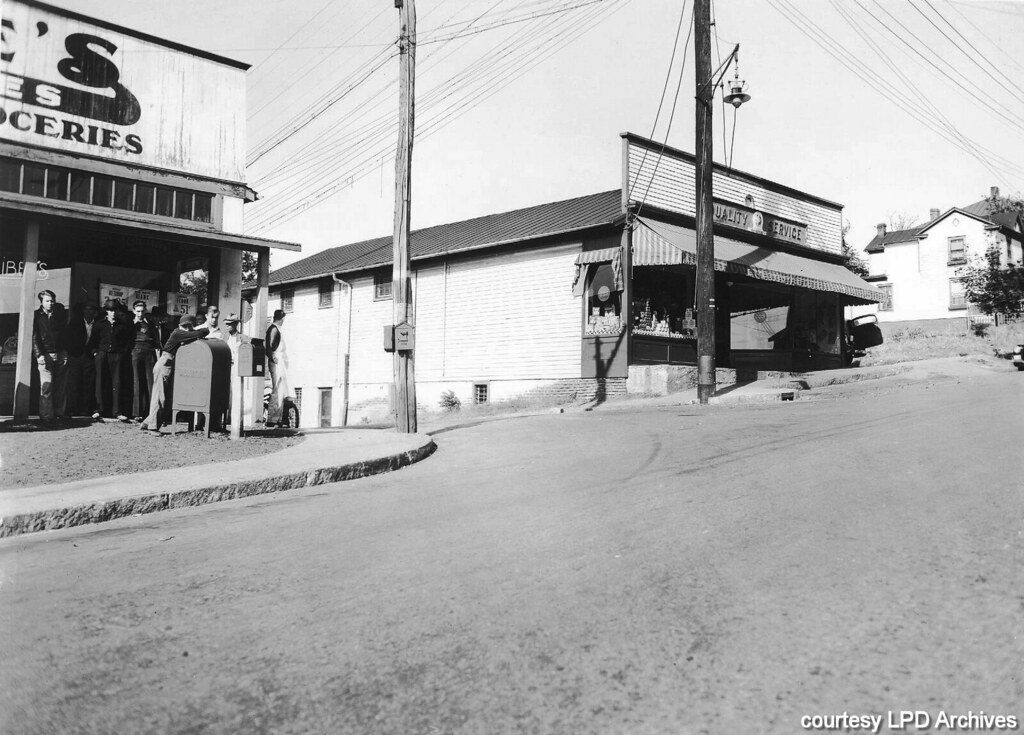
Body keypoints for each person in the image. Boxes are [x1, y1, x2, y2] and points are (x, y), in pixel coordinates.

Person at [140, 313, 213, 434]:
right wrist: (196, 330)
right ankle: (152, 427)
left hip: (169, 364)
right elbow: (202, 332)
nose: (187, 328)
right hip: (165, 363)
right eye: (185, 326)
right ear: (180, 326)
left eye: (189, 326)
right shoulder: (178, 333)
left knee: (166, 398)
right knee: (160, 397)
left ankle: (148, 422)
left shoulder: (183, 333)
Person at [32, 289, 69, 424]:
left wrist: (65, 352)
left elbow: (64, 334)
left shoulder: (59, 315)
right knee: (46, 387)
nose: (50, 303)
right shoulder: (36, 316)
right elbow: (35, 336)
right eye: (47, 301)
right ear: (41, 302)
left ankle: (59, 413)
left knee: (61, 387)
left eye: (52, 300)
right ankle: (47, 416)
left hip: (60, 353)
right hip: (45, 353)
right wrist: (39, 354)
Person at [94, 300, 132, 421]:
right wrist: (95, 353)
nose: (113, 313)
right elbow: (93, 340)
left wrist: (122, 353)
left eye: (115, 310)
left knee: (117, 383)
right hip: (102, 354)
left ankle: (117, 411)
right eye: (110, 310)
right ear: (106, 311)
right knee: (100, 381)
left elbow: (128, 341)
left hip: (116, 355)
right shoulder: (100, 323)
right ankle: (98, 409)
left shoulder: (122, 324)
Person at [63, 303, 100, 417]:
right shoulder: (75, 323)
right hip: (75, 356)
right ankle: (72, 409)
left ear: (94, 312)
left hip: (89, 357)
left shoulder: (98, 324)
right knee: (73, 383)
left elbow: (100, 338)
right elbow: (67, 338)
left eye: (91, 310)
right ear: (83, 311)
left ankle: (84, 409)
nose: (89, 312)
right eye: (87, 309)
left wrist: (94, 350)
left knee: (87, 384)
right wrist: (72, 351)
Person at [130, 300, 160, 421]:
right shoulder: (130, 324)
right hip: (135, 352)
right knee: (137, 381)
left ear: (145, 311)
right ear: (133, 311)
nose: (140, 314)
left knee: (150, 382)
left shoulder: (151, 325)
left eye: (142, 311)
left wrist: (157, 358)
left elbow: (156, 343)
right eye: (137, 311)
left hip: (149, 353)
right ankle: (137, 412)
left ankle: (151, 412)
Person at [265, 309, 292, 427]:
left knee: (281, 390)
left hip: (279, 361)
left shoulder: (276, 329)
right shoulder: (274, 329)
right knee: (277, 389)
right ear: (281, 319)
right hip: (276, 362)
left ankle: (278, 418)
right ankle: (272, 419)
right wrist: (273, 357)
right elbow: (269, 346)